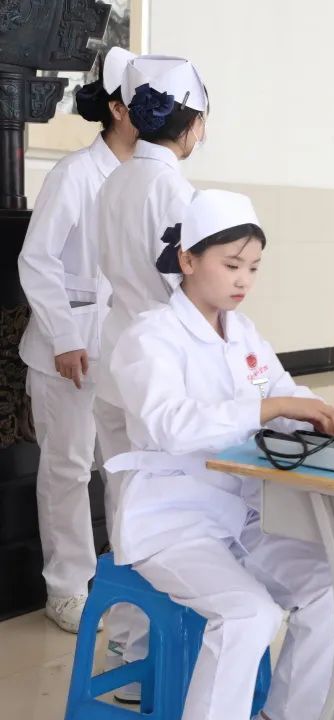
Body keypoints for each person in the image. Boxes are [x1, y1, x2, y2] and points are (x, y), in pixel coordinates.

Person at [105, 189, 334, 720]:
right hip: (173, 521)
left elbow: (281, 392)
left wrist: (329, 419)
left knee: (333, 593)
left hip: (242, 511)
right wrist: (268, 406)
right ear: (188, 260)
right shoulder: (150, 337)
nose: (243, 281)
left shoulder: (243, 332)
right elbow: (173, 424)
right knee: (249, 615)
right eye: (232, 265)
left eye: (253, 268)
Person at [92, 52, 208, 698]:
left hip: (115, 357)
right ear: (191, 124)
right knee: (165, 518)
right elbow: (185, 289)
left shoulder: (114, 181)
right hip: (159, 369)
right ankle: (151, 663)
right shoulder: (176, 193)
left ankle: (125, 654)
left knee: (125, 505)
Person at [17, 46, 137, 632]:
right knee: (67, 469)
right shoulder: (74, 175)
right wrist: (65, 337)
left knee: (124, 467)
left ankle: (125, 578)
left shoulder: (149, 178)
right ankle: (65, 587)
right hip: (66, 352)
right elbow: (37, 260)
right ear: (117, 109)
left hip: (122, 350)